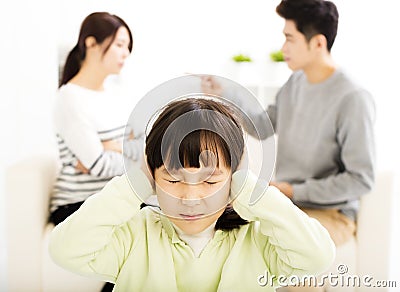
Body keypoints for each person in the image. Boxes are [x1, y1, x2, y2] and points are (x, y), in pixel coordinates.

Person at [49, 97, 335, 291]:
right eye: (173, 179)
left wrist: (249, 189)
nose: (190, 197)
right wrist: (130, 186)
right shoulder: (135, 235)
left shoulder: (256, 240)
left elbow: (317, 256)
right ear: (151, 177)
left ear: (234, 180)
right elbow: (65, 250)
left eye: (210, 182)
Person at [202, 1, 375, 290]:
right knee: (225, 243)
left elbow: (361, 179)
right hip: (287, 204)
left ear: (318, 43)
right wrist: (226, 92)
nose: (283, 47)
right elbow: (262, 123)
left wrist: (292, 190)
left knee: (291, 261)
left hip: (330, 214)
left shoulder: (353, 98)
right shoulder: (295, 82)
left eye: (290, 38)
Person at [49, 12, 142, 227]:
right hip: (76, 204)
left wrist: (115, 148)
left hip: (110, 197)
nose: (126, 53)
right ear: (91, 43)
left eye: (127, 47)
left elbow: (140, 144)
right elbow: (100, 165)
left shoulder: (114, 93)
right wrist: (133, 153)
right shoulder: (70, 98)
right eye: (119, 45)